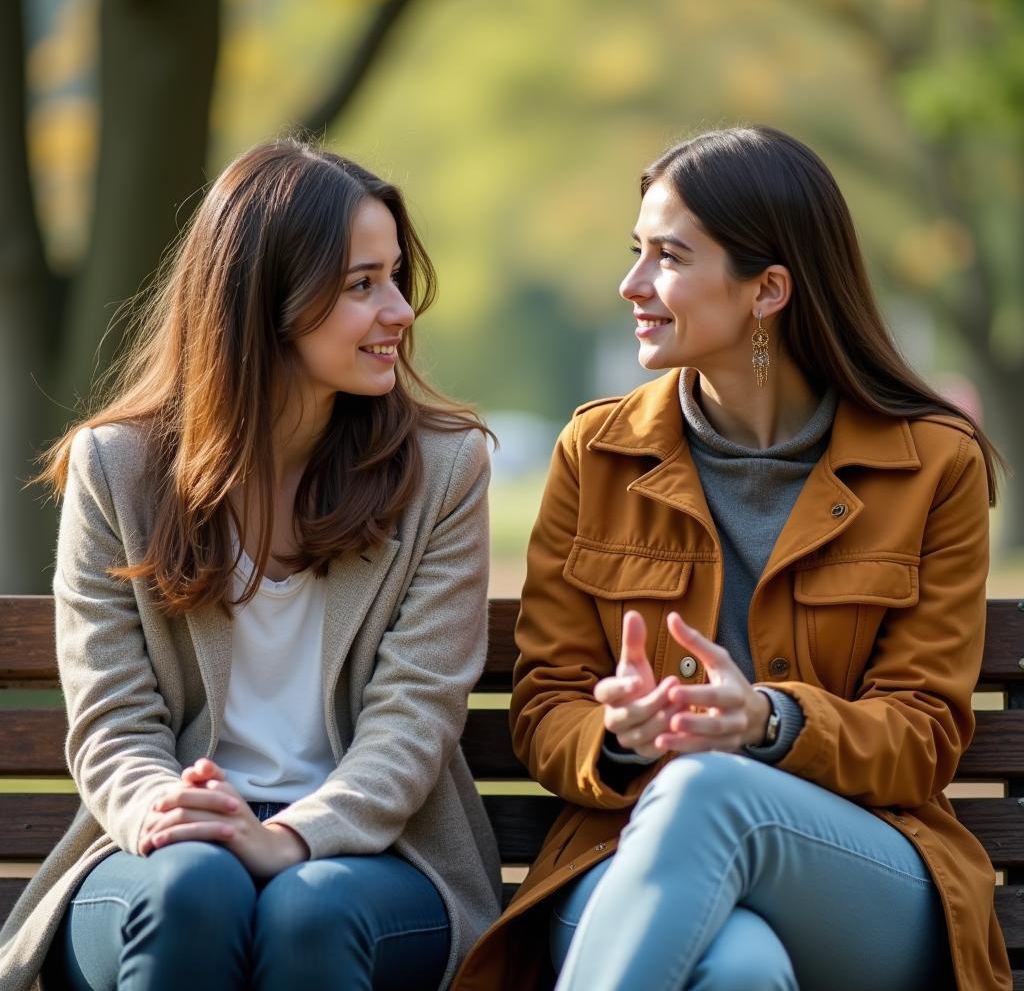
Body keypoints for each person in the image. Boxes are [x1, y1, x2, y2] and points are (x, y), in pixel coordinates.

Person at [455, 126, 1010, 990]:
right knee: (739, 971)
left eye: (668, 257)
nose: (631, 285)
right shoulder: (595, 452)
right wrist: (621, 738)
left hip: (864, 869)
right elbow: (546, 707)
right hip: (622, 853)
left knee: (707, 791)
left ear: (768, 290)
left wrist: (766, 721)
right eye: (635, 252)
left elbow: (923, 737)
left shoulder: (934, 463)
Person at [0, 138, 501, 991]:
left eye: (394, 278)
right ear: (265, 301)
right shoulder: (115, 468)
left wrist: (290, 835)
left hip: (370, 856)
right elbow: (112, 715)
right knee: (199, 887)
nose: (400, 312)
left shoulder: (443, 470)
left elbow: (415, 715)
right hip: (158, 851)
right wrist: (171, 812)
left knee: (309, 907)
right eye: (361, 285)